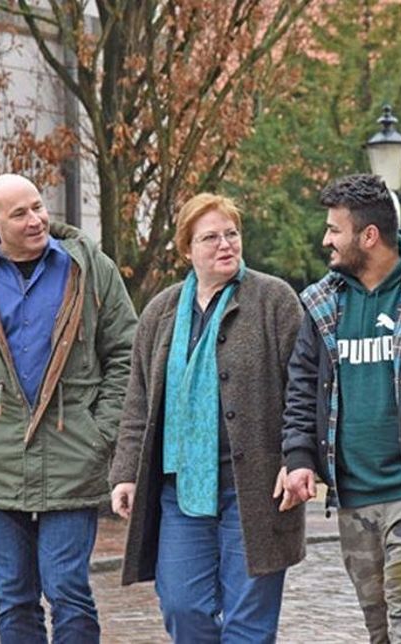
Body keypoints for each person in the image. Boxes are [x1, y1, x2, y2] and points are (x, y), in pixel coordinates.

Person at [0, 173, 137, 643]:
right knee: (14, 597)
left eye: (38, 206)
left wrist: (100, 431)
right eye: (19, 213)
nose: (36, 219)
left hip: (74, 454)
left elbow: (127, 351)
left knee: (68, 592)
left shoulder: (89, 266)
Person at [108, 193, 305, 643]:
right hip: (181, 490)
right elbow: (139, 399)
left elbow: (304, 390)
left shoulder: (274, 300)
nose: (225, 245)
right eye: (210, 237)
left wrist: (298, 457)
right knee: (182, 607)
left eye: (231, 234)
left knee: (247, 624)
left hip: (254, 490)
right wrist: (126, 473)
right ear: (187, 250)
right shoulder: (160, 312)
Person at [281, 174, 401, 643]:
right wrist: (299, 459)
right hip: (353, 492)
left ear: (368, 236)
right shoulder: (325, 303)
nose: (326, 240)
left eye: (334, 230)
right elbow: (302, 388)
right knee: (377, 624)